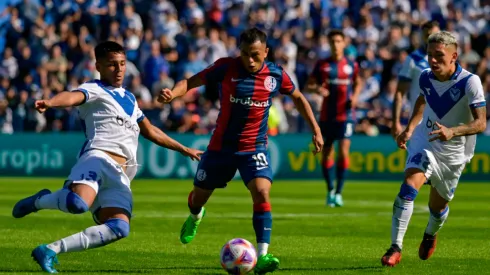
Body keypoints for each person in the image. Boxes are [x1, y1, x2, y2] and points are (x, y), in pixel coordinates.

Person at [11, 41, 203, 273]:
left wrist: (184, 149)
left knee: (120, 228)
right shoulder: (94, 88)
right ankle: (39, 201)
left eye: (122, 63)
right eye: (112, 65)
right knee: (77, 203)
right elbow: (72, 97)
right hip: (98, 157)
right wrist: (51, 102)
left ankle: (50, 250)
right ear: (99, 66)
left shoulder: (131, 99)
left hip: (122, 174)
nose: (119, 69)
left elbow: (151, 131)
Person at [158, 27, 323, 274]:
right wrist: (173, 94)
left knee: (262, 193)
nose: (250, 59)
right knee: (197, 199)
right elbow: (191, 82)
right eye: (245, 54)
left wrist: (316, 129)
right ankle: (195, 216)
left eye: (255, 54)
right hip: (221, 147)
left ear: (266, 52)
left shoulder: (275, 75)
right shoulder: (227, 67)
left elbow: (298, 97)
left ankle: (264, 255)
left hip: (253, 147)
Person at [381, 31, 486, 267]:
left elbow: (481, 123)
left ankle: (430, 234)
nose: (433, 60)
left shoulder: (470, 82)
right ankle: (395, 247)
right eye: (430, 55)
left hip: (454, 152)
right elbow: (422, 100)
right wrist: (409, 130)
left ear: (454, 56)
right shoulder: (426, 77)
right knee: (409, 186)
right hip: (425, 141)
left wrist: (453, 131)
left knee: (437, 207)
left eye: (439, 55)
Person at [306, 29, 362, 207]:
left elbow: (359, 82)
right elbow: (309, 84)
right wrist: (317, 90)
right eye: (332, 42)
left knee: (344, 151)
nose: (336, 45)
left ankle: (339, 192)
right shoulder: (322, 64)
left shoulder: (351, 65)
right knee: (327, 153)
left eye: (339, 41)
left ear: (344, 43)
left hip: (346, 115)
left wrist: (355, 97)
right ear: (329, 44)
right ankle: (330, 189)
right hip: (327, 116)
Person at [391, 20, 440, 138]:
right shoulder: (413, 59)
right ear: (422, 37)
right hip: (419, 123)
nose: (431, 39)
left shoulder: (448, 60)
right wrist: (395, 122)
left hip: (443, 122)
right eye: (427, 35)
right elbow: (399, 92)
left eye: (434, 35)